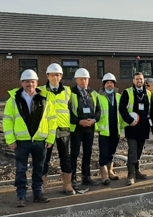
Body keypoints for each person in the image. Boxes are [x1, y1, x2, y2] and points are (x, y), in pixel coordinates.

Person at [3, 70, 57, 207]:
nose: (30, 84)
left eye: (32, 81)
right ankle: (21, 196)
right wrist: (10, 140)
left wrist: (50, 139)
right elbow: (8, 121)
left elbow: (52, 120)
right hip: (21, 142)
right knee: (21, 169)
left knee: (39, 168)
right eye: (27, 81)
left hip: (40, 141)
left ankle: (38, 194)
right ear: (22, 83)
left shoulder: (45, 99)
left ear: (37, 83)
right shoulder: (14, 100)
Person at [40, 63, 75, 196]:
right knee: (44, 159)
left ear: (61, 76)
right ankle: (42, 187)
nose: (56, 77)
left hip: (63, 130)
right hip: (46, 130)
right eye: (53, 74)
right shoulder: (41, 91)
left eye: (58, 74)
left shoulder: (67, 91)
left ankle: (67, 185)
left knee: (65, 158)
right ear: (48, 76)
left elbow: (71, 109)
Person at [119, 72, 153, 185]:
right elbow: (122, 109)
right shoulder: (127, 92)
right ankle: (130, 174)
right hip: (132, 127)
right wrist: (130, 121)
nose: (139, 81)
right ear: (133, 81)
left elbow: (151, 110)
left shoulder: (148, 93)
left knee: (139, 150)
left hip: (144, 127)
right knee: (132, 150)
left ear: (144, 80)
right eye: (137, 79)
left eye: (141, 79)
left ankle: (137, 170)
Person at [69, 68, 101, 187]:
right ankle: (72, 178)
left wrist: (93, 120)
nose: (84, 81)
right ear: (76, 80)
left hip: (89, 128)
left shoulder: (93, 93)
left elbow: (98, 109)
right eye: (81, 79)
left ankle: (86, 177)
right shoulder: (70, 93)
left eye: (86, 79)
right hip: (76, 128)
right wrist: (79, 122)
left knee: (88, 152)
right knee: (74, 153)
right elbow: (67, 111)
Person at [97, 73, 123, 185]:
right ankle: (104, 175)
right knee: (104, 152)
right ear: (104, 84)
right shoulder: (98, 97)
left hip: (115, 130)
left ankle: (110, 171)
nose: (109, 85)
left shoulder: (118, 97)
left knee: (112, 152)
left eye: (111, 83)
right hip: (104, 130)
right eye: (107, 82)